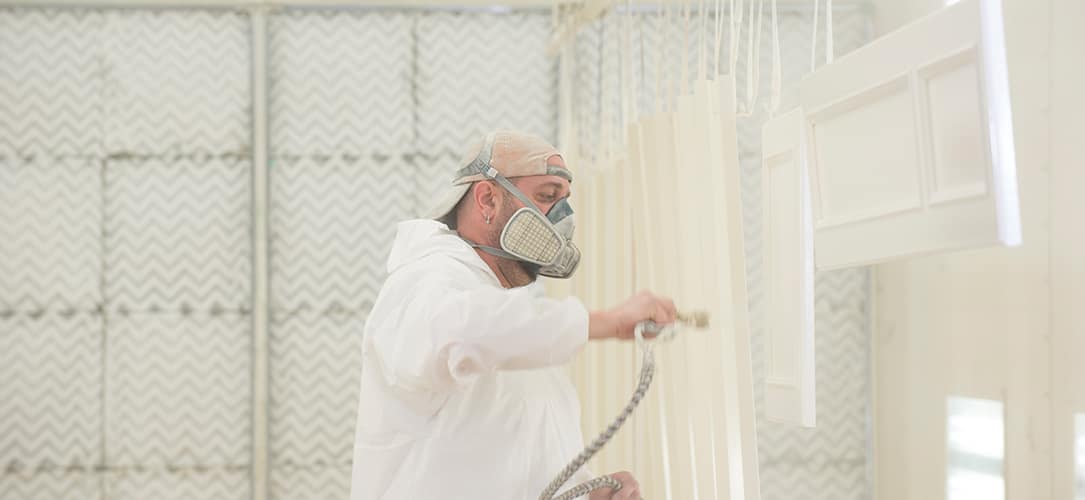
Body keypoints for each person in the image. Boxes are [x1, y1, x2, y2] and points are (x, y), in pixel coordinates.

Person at [349, 130, 677, 500]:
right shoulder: (427, 279)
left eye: (564, 202)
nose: (561, 218)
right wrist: (606, 322)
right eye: (547, 197)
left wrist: (586, 493)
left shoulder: (511, 321)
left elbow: (523, 466)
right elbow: (460, 333)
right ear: (487, 198)